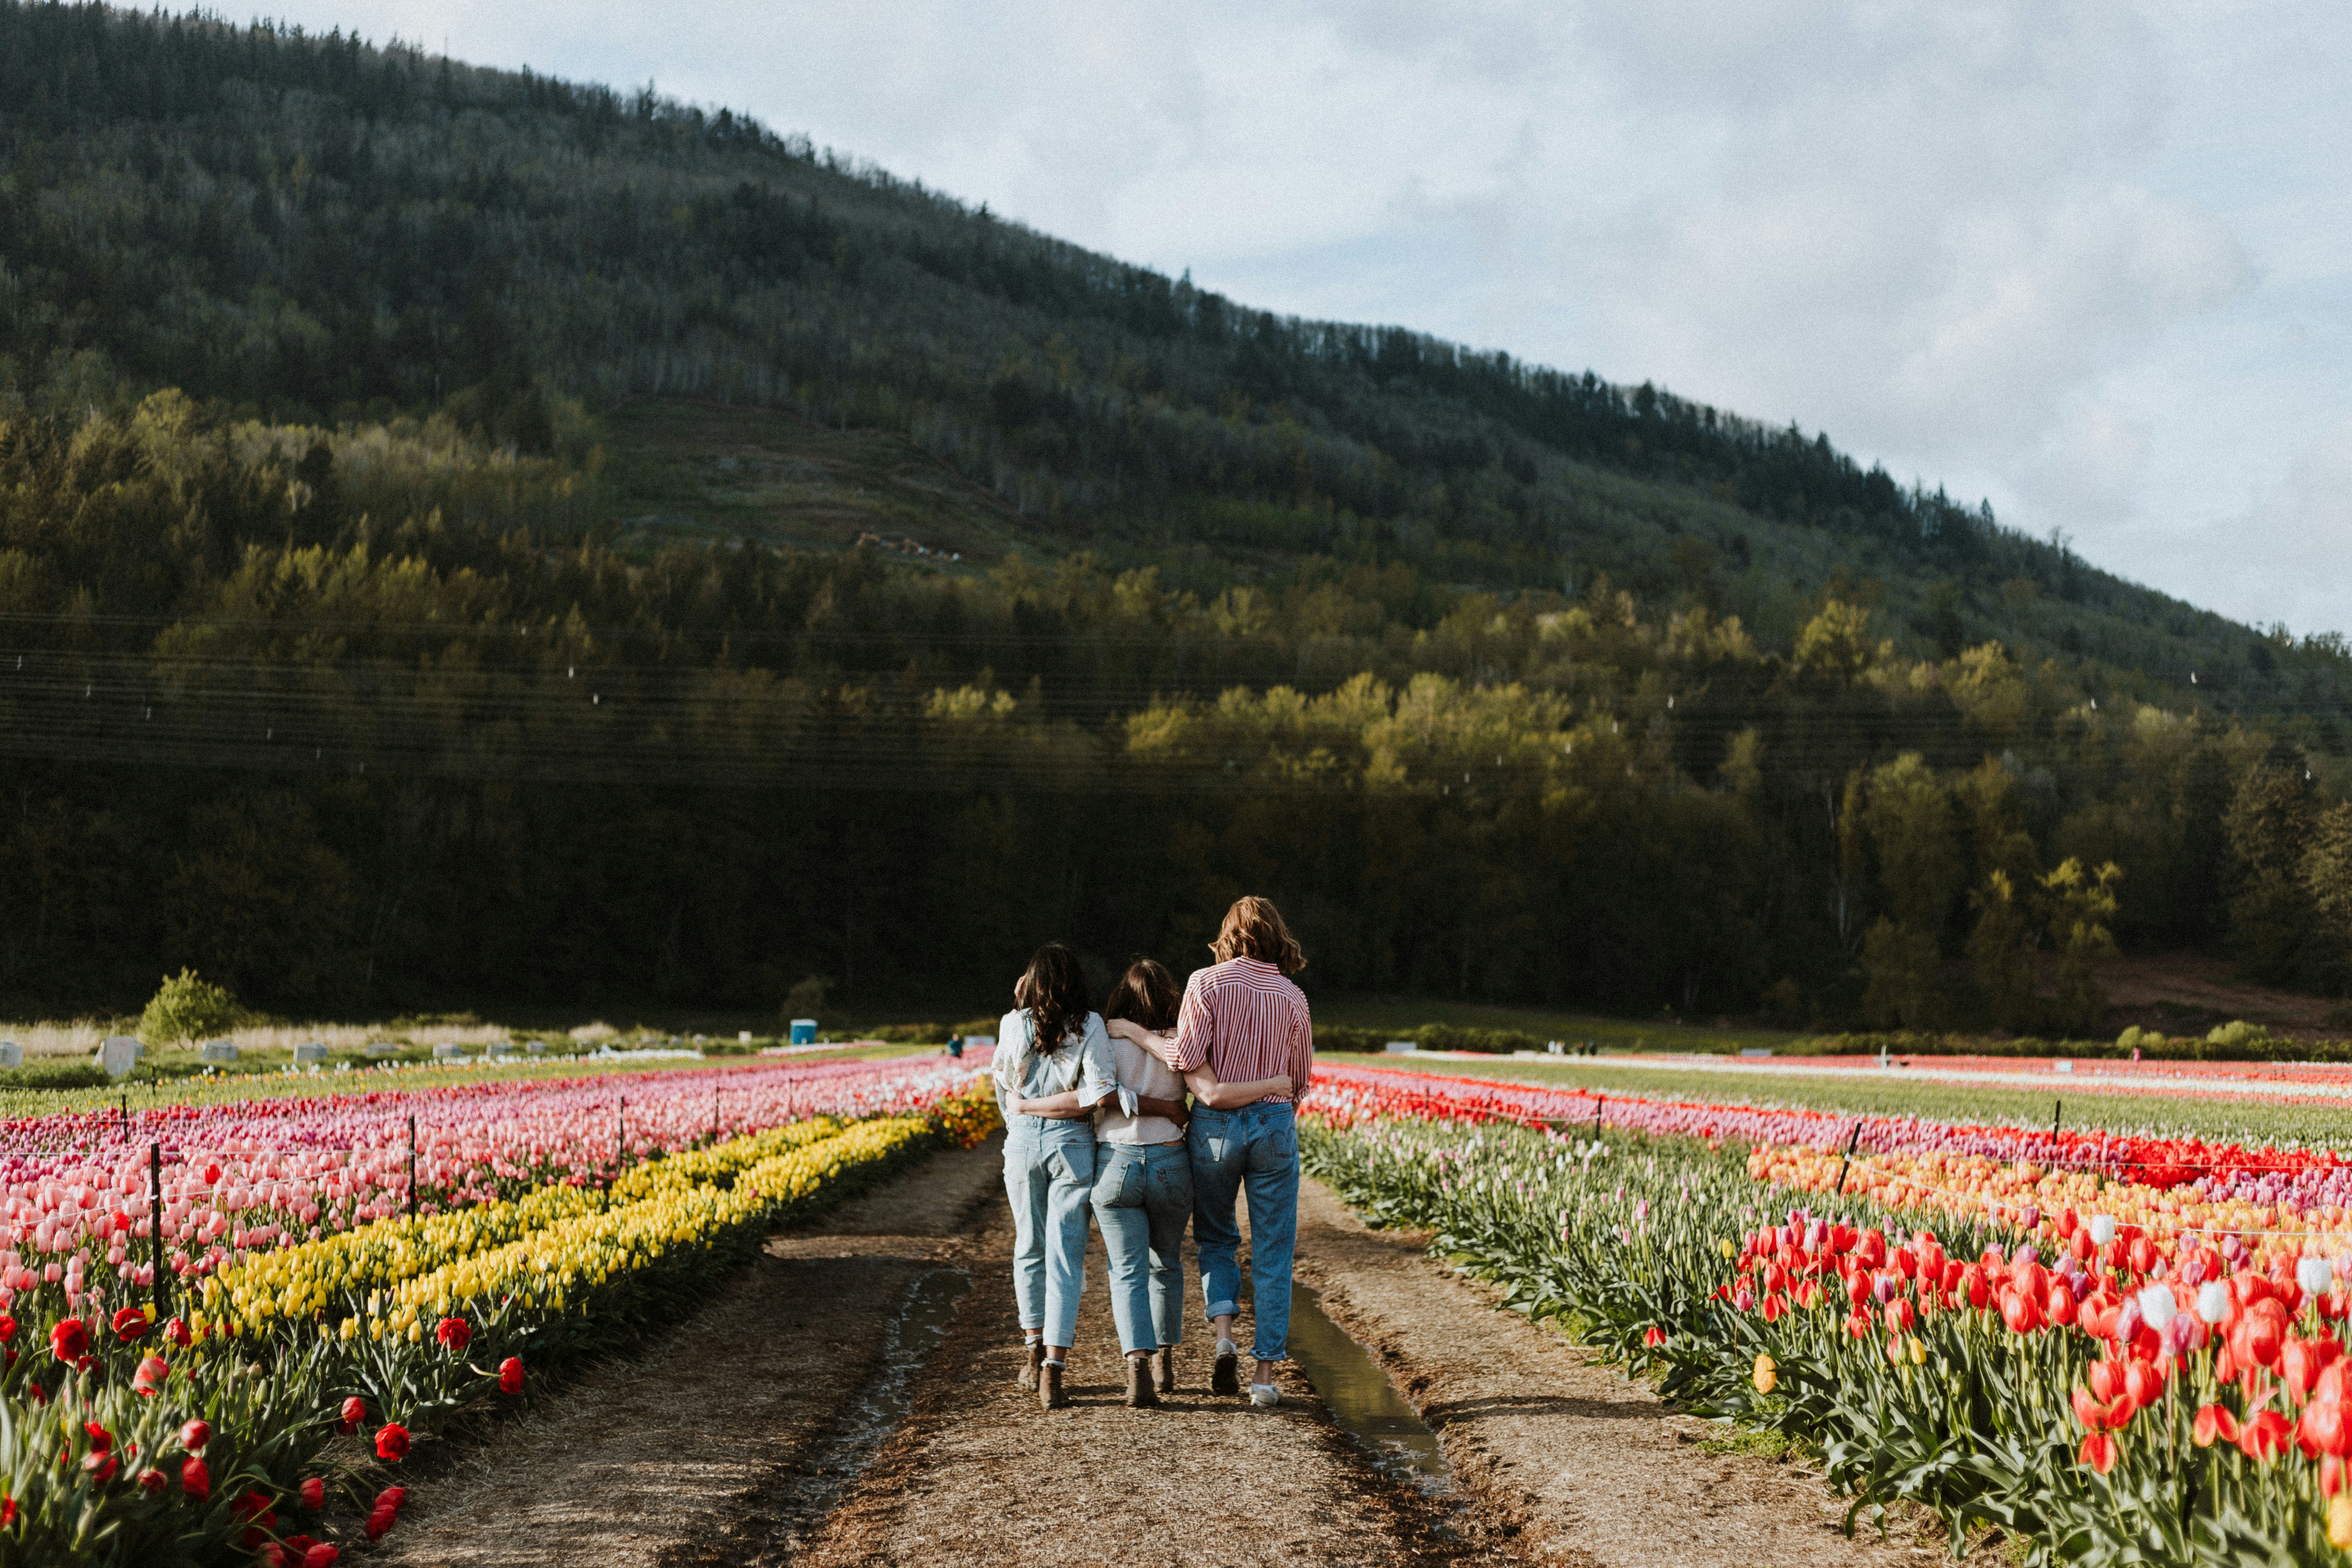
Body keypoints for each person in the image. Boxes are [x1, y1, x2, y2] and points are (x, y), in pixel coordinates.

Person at [1108, 896, 1312, 1409]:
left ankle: (1225, 1337)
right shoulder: (1294, 996)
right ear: (1276, 936)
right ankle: (1264, 1376)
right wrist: (1266, 1088)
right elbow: (1300, 1081)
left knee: (1218, 1237)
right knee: (1273, 1251)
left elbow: (1185, 1057)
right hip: (1272, 1125)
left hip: (1216, 1127)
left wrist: (1132, 1031)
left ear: (1229, 935)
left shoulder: (1205, 982)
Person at [992, 943, 1117, 1411]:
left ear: (1031, 983)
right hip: (1072, 1144)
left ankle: (1031, 1349)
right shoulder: (1091, 1025)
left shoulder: (1013, 1024)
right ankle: (1054, 1371)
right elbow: (1099, 1095)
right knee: (1066, 1256)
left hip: (1023, 1143)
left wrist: (1023, 1112)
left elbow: (1005, 1088)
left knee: (1028, 1246)